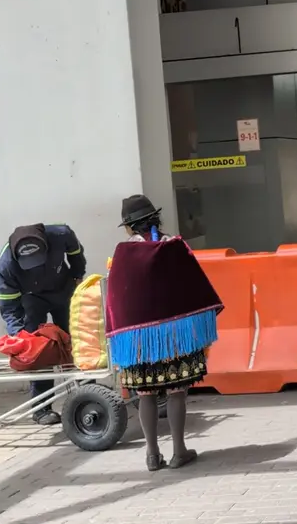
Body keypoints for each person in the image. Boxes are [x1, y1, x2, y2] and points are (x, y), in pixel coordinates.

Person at [107, 194, 223, 471]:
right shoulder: (174, 246)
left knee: (145, 394)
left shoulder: (122, 253)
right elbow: (194, 285)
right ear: (155, 218)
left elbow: (117, 298)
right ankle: (179, 451)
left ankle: (151, 454)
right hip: (174, 337)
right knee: (175, 391)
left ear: (129, 226)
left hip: (137, 342)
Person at [0, 223, 88, 425]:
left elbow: (76, 254)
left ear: (47, 246)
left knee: (76, 343)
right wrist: (20, 336)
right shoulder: (6, 266)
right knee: (39, 352)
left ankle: (89, 396)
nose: (35, 267)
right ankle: (41, 409)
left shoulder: (60, 234)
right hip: (31, 300)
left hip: (63, 291)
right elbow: (9, 307)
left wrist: (77, 275)